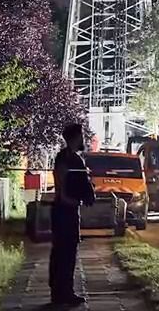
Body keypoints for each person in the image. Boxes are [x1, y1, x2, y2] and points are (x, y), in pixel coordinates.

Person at [50, 122, 92, 305]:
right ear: (75, 138)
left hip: (64, 209)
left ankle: (59, 292)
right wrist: (68, 198)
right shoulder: (69, 159)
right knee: (66, 253)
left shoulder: (66, 157)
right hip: (65, 210)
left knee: (62, 251)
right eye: (81, 135)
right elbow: (62, 179)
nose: (83, 139)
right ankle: (64, 293)